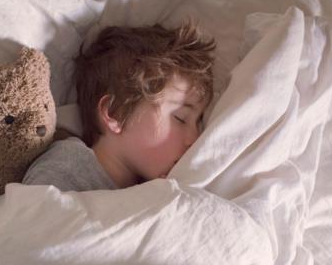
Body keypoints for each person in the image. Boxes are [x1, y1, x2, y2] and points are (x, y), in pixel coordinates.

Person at [22, 20, 216, 191]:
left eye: (198, 122)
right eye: (180, 118)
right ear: (116, 112)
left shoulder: (145, 190)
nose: (195, 139)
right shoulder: (68, 165)